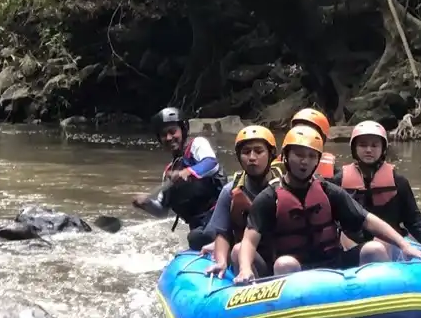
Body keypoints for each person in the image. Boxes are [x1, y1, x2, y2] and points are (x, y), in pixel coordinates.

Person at [234, 125, 421, 284]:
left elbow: (368, 220)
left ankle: (385, 303)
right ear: (285, 157)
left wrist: (404, 245)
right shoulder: (270, 197)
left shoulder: (329, 191)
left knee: (375, 249)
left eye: (311, 156)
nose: (305, 162)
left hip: (333, 263)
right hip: (297, 266)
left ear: (318, 160)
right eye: (299, 155)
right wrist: (244, 269)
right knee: (284, 264)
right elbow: (250, 240)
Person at [332, 121, 421, 259]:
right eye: (363, 145)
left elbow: (413, 218)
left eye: (374, 145)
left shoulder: (398, 181)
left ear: (383, 149)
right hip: (352, 243)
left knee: (381, 245)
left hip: (391, 242)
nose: (368, 150)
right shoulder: (338, 181)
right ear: (354, 148)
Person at [131, 107, 227, 249]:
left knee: (199, 237)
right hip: (198, 228)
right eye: (164, 135)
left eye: (172, 131)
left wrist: (188, 172)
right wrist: (146, 204)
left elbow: (211, 163)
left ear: (183, 129)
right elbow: (162, 210)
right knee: (196, 237)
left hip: (220, 218)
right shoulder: (169, 172)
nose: (169, 138)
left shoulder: (197, 145)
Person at [203, 125, 283, 279]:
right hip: (248, 259)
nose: (252, 157)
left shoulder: (285, 187)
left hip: (281, 259)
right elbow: (223, 233)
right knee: (239, 249)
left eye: (259, 151)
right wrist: (221, 261)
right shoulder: (230, 191)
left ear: (271, 154)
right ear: (239, 157)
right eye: (246, 152)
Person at [270, 107, 337, 179]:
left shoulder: (333, 169)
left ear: (322, 139)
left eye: (310, 132)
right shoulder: (276, 166)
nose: (303, 135)